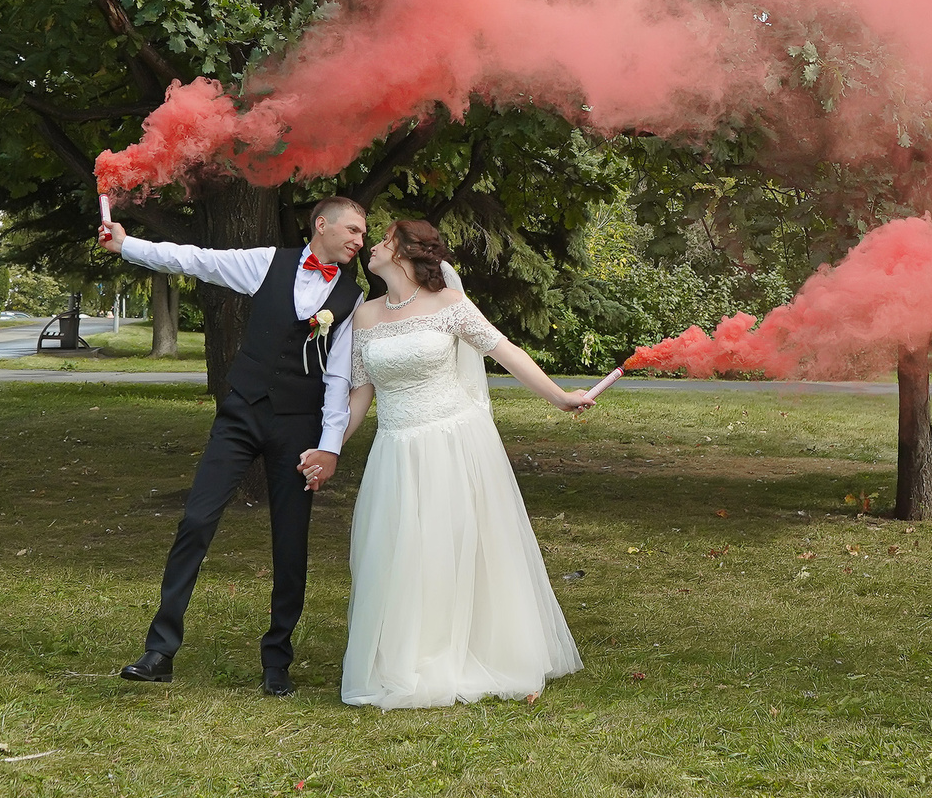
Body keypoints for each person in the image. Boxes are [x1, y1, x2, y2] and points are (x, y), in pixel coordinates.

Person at [96, 197, 368, 694]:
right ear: (321, 225)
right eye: (352, 229)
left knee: (291, 543)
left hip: (298, 426)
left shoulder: (351, 298)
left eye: (363, 234)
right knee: (197, 519)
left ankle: (276, 662)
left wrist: (329, 446)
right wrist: (126, 244)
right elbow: (195, 258)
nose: (359, 240)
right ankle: (159, 649)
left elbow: (338, 377)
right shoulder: (267, 262)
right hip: (241, 413)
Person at [324, 218, 591, 709]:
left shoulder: (449, 305)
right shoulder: (364, 316)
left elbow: (505, 352)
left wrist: (559, 397)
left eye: (383, 241)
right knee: (402, 549)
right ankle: (412, 653)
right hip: (396, 449)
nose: (372, 247)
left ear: (406, 254)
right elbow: (360, 394)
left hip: (454, 440)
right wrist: (330, 447)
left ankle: (474, 647)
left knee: (455, 545)